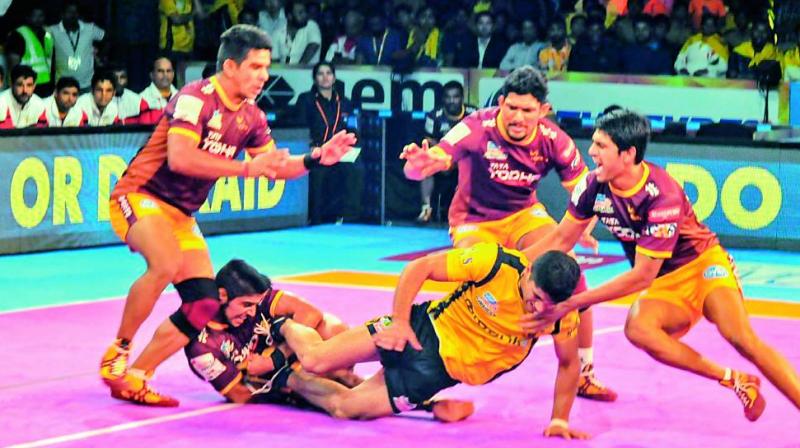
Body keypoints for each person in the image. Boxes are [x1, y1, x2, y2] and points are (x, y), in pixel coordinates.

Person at [99, 24, 357, 407]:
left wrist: (315, 158)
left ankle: (136, 376)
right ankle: (118, 353)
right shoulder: (193, 98)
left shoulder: (251, 116)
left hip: (181, 214)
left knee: (203, 304)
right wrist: (246, 169)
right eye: (256, 66)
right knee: (166, 262)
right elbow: (181, 158)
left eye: (266, 67)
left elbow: (274, 165)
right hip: (140, 195)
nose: (264, 75)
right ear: (231, 66)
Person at [522, 109, 800, 422]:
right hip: (665, 283)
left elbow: (641, 276)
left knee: (740, 338)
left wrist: (571, 303)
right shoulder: (592, 186)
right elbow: (561, 238)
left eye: (601, 146)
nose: (591, 151)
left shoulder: (661, 194)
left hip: (702, 266)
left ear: (627, 154)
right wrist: (510, 263)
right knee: (639, 330)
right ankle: (734, 379)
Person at [400, 65, 617, 402]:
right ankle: (427, 368)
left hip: (523, 216)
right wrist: (419, 164)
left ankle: (585, 374)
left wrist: (585, 227)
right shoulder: (475, 126)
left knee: (572, 276)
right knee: (470, 278)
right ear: (500, 102)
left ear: (543, 110)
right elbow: (435, 159)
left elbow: (582, 192)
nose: (517, 116)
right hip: (474, 220)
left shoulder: (554, 140)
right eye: (511, 107)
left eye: (527, 110)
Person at [273, 243, 589, 438]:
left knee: (346, 407)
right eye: (535, 297)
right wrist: (399, 322)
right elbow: (419, 267)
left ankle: (280, 376)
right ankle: (278, 322)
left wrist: (559, 419)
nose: (538, 309)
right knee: (315, 360)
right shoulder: (495, 262)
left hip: (436, 373)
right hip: (421, 327)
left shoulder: (560, 316)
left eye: (548, 304)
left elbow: (568, 363)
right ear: (529, 270)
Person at [185, 259, 361, 404]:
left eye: (255, 305)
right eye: (246, 305)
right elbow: (238, 394)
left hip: (289, 358)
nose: (252, 312)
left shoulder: (257, 298)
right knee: (338, 389)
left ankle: (337, 379)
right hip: (274, 381)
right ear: (222, 296)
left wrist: (274, 359)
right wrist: (282, 383)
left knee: (332, 328)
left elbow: (310, 313)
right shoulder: (202, 347)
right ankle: (333, 381)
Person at [295, 62, 361, 224]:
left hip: (339, 152)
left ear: (334, 77)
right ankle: (316, 219)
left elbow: (354, 128)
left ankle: (349, 218)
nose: (325, 77)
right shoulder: (306, 100)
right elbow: (300, 127)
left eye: (328, 73)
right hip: (317, 150)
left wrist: (350, 146)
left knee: (356, 169)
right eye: (320, 74)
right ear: (315, 79)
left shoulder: (344, 102)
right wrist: (311, 146)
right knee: (318, 173)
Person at [416, 81, 477, 223]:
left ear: (462, 98)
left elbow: (478, 142)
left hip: (464, 158)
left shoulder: (473, 114)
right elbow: (429, 140)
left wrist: (457, 158)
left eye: (455, 97)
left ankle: (472, 211)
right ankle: (426, 209)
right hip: (442, 157)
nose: (451, 101)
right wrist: (445, 158)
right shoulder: (434, 116)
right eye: (448, 97)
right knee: (425, 165)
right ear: (443, 99)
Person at [46, 1, 106, 92]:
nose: (73, 15)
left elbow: (106, 38)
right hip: (63, 85)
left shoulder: (89, 28)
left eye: (75, 12)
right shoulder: (52, 31)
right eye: (69, 12)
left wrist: (100, 54)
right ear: (62, 14)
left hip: (86, 84)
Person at [5, 7, 54, 97]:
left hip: (45, 85)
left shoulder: (45, 34)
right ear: (28, 17)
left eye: (41, 16)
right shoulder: (18, 35)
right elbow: (13, 65)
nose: (38, 19)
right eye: (35, 16)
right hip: (26, 86)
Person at [0, 64, 46, 129]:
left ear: (34, 86)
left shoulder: (39, 104)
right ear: (11, 84)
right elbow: (5, 135)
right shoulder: (1, 102)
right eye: (20, 85)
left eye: (29, 85)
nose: (25, 90)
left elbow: (42, 134)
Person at [139, 57, 178, 124]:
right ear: (152, 75)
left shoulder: (182, 96)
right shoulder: (142, 99)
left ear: (173, 74)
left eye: (168, 71)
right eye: (160, 71)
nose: (165, 75)